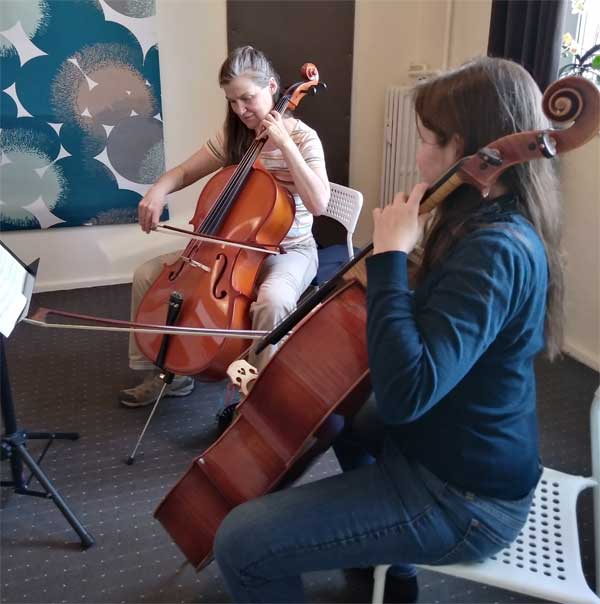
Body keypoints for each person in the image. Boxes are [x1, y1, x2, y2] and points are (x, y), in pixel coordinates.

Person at [211, 56, 564, 603]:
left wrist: (392, 259)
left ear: (468, 151)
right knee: (339, 415)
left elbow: (407, 394)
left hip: (465, 497)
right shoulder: (476, 220)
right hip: (444, 441)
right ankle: (393, 567)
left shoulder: (494, 249)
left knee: (239, 543)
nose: (418, 154)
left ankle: (391, 545)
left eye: (426, 139)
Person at [119, 46, 330, 408]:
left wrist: (283, 145)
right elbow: (185, 171)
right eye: (233, 102)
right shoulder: (234, 134)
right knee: (147, 274)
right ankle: (166, 373)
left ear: (273, 87)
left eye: (247, 99)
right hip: (228, 248)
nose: (241, 111)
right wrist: (157, 192)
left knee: (273, 301)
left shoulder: (304, 139)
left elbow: (319, 204)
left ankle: (261, 396)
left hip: (288, 250)